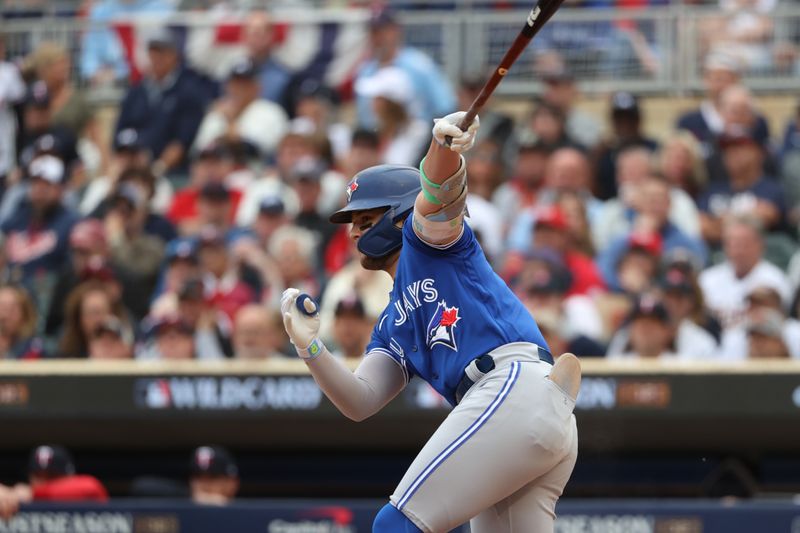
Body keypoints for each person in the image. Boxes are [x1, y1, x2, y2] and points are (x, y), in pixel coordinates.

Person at [281, 110, 579, 532]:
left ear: (398, 214)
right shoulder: (392, 318)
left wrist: (442, 148)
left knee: (395, 526)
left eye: (365, 219)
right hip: (523, 415)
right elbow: (360, 401)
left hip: (511, 387)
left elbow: (441, 193)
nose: (353, 232)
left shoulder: (430, 244)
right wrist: (311, 349)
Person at [114, 29, 212, 177]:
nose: (157, 58)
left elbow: (181, 143)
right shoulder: (137, 91)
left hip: (168, 171)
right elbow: (119, 132)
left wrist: (156, 169)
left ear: (174, 55)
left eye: (162, 52)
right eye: (153, 52)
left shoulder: (188, 91)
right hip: (130, 163)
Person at [355, 7, 456, 129]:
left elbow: (445, 106)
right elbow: (364, 118)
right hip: (377, 140)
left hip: (418, 136)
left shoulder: (419, 65)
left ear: (396, 31)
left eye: (383, 31)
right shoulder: (365, 71)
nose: (378, 38)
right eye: (374, 32)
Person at [699, 216, 792, 335]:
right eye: (733, 243)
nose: (738, 250)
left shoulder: (775, 281)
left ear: (760, 244)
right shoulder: (707, 279)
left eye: (744, 244)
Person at [193, 58, 288, 160]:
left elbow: (253, 153)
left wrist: (230, 122)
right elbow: (198, 152)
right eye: (235, 84)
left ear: (257, 87)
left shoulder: (270, 111)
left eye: (245, 84)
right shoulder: (217, 113)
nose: (238, 89)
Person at [0, 444, 108, 519]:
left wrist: (34, 493)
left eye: (51, 476)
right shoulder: (14, 502)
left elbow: (92, 487)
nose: (43, 481)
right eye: (37, 475)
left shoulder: (86, 491)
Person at [354, 66, 430, 167]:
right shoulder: (378, 131)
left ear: (391, 104)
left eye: (378, 99)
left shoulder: (418, 131)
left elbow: (401, 167)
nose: (372, 105)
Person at [0, 284, 45, 360]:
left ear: (24, 313)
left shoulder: (34, 346)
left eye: (12, 309)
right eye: (1, 308)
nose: (5, 315)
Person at [330, 295, 373, 360]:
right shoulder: (329, 363)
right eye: (343, 319)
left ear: (366, 326)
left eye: (354, 318)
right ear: (335, 326)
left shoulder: (377, 362)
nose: (348, 325)